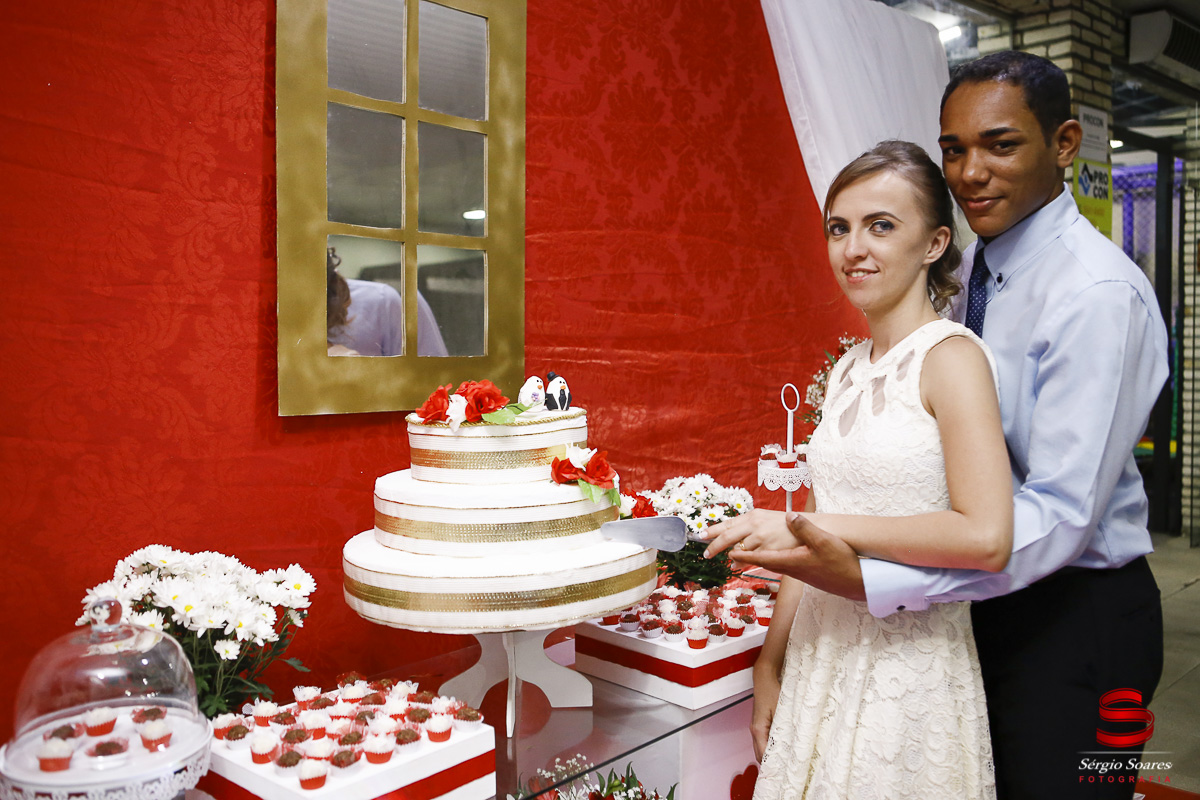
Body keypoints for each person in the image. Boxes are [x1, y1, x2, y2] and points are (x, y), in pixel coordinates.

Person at [708, 52, 1168, 799]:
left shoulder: (1096, 294)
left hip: (1079, 614)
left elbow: (1058, 515)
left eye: (1001, 144)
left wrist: (875, 580)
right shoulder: (974, 277)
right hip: (971, 606)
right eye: (953, 149)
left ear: (1064, 143)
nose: (970, 171)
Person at [735, 139, 1011, 799]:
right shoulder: (847, 368)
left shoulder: (953, 358)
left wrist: (819, 521)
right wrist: (771, 664)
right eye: (839, 228)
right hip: (821, 654)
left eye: (881, 226)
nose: (853, 247)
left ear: (935, 243)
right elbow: (812, 535)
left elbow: (987, 537)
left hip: (907, 668)